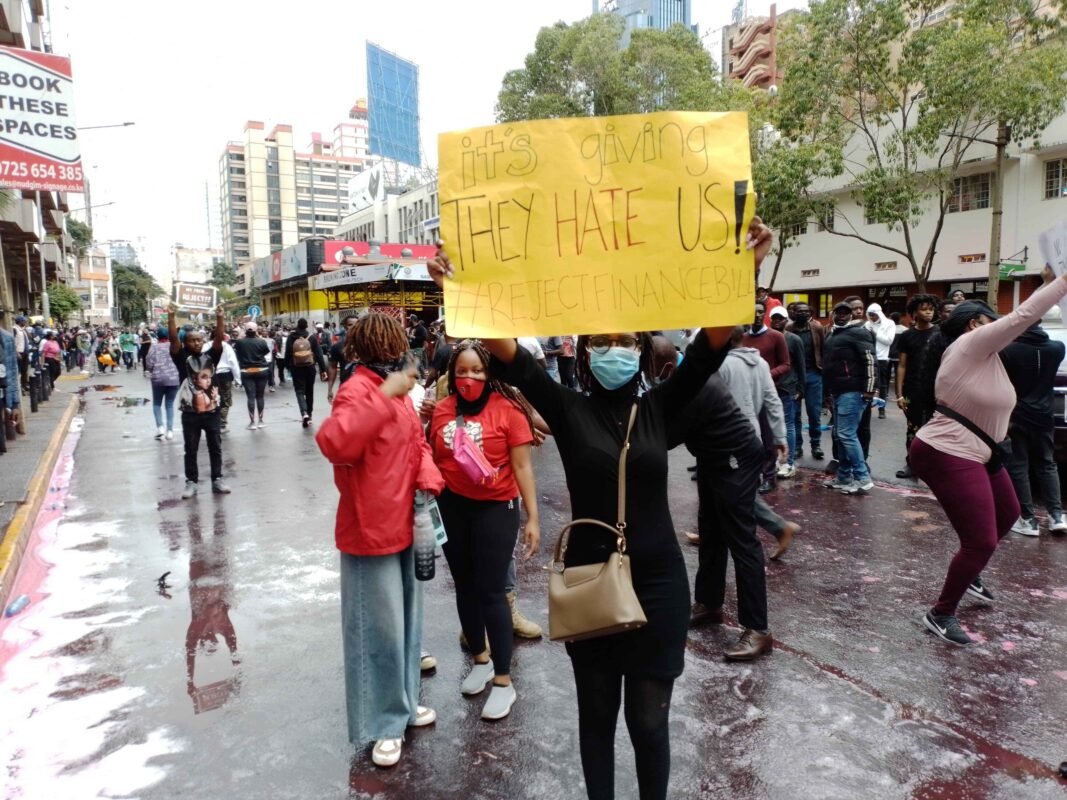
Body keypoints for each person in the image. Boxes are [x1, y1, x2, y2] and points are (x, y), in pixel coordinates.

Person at [428, 218, 773, 800]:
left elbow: (712, 345)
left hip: (659, 585)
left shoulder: (665, 405)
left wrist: (746, 268)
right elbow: (506, 351)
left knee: (648, 721)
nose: (614, 350)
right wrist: (457, 288)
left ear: (642, 354)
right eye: (601, 343)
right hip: (587, 580)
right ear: (583, 355)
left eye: (626, 342)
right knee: (596, 721)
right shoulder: (565, 407)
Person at [315, 313, 445, 768]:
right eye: (388, 343)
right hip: (370, 526)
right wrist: (385, 395)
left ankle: (404, 706)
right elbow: (335, 443)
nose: (394, 349)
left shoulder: (398, 390)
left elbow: (417, 443)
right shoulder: (357, 390)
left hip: (409, 519)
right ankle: (382, 723)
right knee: (378, 628)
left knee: (408, 623)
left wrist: (427, 472)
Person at [911, 270, 1067, 646]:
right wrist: (1060, 282)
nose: (1000, 327)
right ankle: (941, 612)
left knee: (1009, 513)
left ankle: (970, 572)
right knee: (980, 540)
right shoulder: (969, 346)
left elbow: (1031, 334)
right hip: (946, 450)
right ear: (975, 324)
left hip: (982, 451)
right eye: (992, 321)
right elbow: (1023, 317)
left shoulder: (987, 358)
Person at [429, 340, 540, 720]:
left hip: (497, 508)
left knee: (493, 591)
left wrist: (533, 518)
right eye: (461, 371)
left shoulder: (508, 411)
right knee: (465, 585)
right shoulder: (441, 412)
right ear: (451, 375)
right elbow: (432, 457)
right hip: (451, 508)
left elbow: (523, 467)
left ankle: (505, 682)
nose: (469, 378)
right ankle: (480, 659)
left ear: (489, 373)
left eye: (477, 370)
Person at [1001, 321, 1067, 536]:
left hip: (1017, 413)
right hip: (1045, 415)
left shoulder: (1009, 351)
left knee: (1019, 464)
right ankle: (1056, 515)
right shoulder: (1058, 348)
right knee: (1047, 464)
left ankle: (1028, 519)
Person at [168, 304, 231, 498]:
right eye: (192, 340)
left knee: (216, 447)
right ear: (185, 343)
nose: (196, 343)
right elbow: (172, 340)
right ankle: (191, 482)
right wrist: (171, 317)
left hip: (212, 412)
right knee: (191, 449)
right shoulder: (181, 358)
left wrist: (220, 318)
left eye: (199, 340)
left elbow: (219, 339)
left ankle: (217, 479)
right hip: (190, 414)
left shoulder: (211, 356)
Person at [823, 301, 876, 494]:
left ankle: (862, 478)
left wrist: (870, 389)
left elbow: (870, 360)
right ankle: (844, 477)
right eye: (839, 312)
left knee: (846, 434)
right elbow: (828, 367)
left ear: (851, 315)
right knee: (841, 435)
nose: (842, 316)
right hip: (838, 392)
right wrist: (827, 394)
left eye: (846, 313)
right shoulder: (832, 334)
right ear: (833, 314)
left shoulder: (859, 332)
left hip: (853, 391)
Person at [742, 301, 790, 493]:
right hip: (746, 394)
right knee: (750, 436)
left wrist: (766, 374)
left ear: (765, 314)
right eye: (752, 312)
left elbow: (786, 364)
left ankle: (769, 477)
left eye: (760, 312)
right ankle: (753, 475)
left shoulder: (776, 336)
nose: (756, 315)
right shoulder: (743, 338)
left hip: (769, 392)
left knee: (769, 437)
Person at [894, 294, 940, 479]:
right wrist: (899, 394)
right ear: (914, 312)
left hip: (936, 391)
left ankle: (932, 465)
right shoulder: (907, 336)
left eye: (931, 308)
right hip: (912, 390)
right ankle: (911, 463)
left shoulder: (940, 334)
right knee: (912, 428)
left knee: (935, 428)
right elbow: (902, 366)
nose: (928, 312)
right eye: (924, 309)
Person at [786, 302, 826, 460]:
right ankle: (797, 446)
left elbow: (823, 349)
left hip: (813, 375)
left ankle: (816, 445)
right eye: (799, 311)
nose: (802, 313)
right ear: (793, 313)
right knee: (794, 414)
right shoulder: (788, 329)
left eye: (805, 311)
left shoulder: (817, 328)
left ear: (810, 312)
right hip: (794, 378)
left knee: (814, 413)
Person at [768, 307, 805, 478]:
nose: (777, 321)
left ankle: (789, 463)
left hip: (788, 388)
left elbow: (800, 365)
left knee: (788, 425)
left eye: (780, 318)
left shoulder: (794, 339)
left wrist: (800, 388)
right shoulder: (766, 338)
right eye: (774, 318)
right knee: (769, 426)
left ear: (786, 319)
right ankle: (774, 460)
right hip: (768, 388)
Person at [285, 319, 328, 428]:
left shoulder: (291, 337)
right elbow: (319, 354)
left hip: (296, 368)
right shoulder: (311, 337)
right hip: (310, 368)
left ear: (297, 325)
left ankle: (304, 413)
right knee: (309, 392)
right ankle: (310, 414)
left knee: (299, 391)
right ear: (306, 326)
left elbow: (287, 354)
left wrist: (288, 367)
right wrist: (323, 370)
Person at [232, 324, 271, 429]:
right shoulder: (261, 341)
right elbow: (266, 352)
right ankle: (261, 421)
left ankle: (252, 423)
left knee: (250, 397)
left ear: (245, 330)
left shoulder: (239, 342)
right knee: (260, 396)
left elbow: (237, 353)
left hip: (246, 371)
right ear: (256, 330)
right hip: (262, 370)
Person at [145, 326, 180, 440]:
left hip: (158, 378)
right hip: (174, 378)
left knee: (156, 404)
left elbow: (149, 361)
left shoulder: (154, 347)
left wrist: (150, 370)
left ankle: (160, 428)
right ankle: (170, 431)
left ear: (158, 335)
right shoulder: (174, 346)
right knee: (169, 404)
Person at [865, 303, 896, 418]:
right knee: (868, 384)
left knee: (882, 385)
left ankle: (882, 408)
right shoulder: (868, 324)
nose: (872, 317)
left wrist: (875, 334)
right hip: (869, 356)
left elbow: (888, 341)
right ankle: (867, 406)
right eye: (870, 315)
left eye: (874, 315)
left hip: (882, 358)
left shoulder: (889, 323)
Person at [327, 315, 360, 403]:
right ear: (345, 326)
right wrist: (330, 389)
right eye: (350, 325)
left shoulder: (368, 345)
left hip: (364, 389)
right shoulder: (337, 347)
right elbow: (332, 367)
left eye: (356, 325)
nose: (353, 327)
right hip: (345, 388)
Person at [215, 337, 241, 434]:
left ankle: (215, 422)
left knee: (213, 398)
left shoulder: (206, 346)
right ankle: (222, 424)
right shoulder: (226, 346)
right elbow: (233, 363)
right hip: (225, 375)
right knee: (225, 400)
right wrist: (238, 379)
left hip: (211, 375)